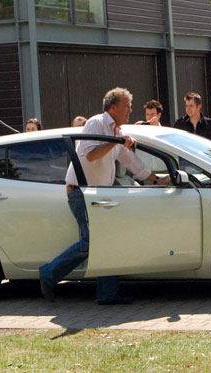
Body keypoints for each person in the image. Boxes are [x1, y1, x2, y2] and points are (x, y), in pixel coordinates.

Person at [39, 87, 170, 305]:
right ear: (113, 107)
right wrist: (116, 142)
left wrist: (156, 179)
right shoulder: (95, 123)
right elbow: (90, 155)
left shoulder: (116, 131)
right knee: (91, 241)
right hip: (82, 193)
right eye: (126, 106)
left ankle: (107, 294)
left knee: (107, 240)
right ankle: (48, 274)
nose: (130, 110)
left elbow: (130, 161)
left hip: (100, 195)